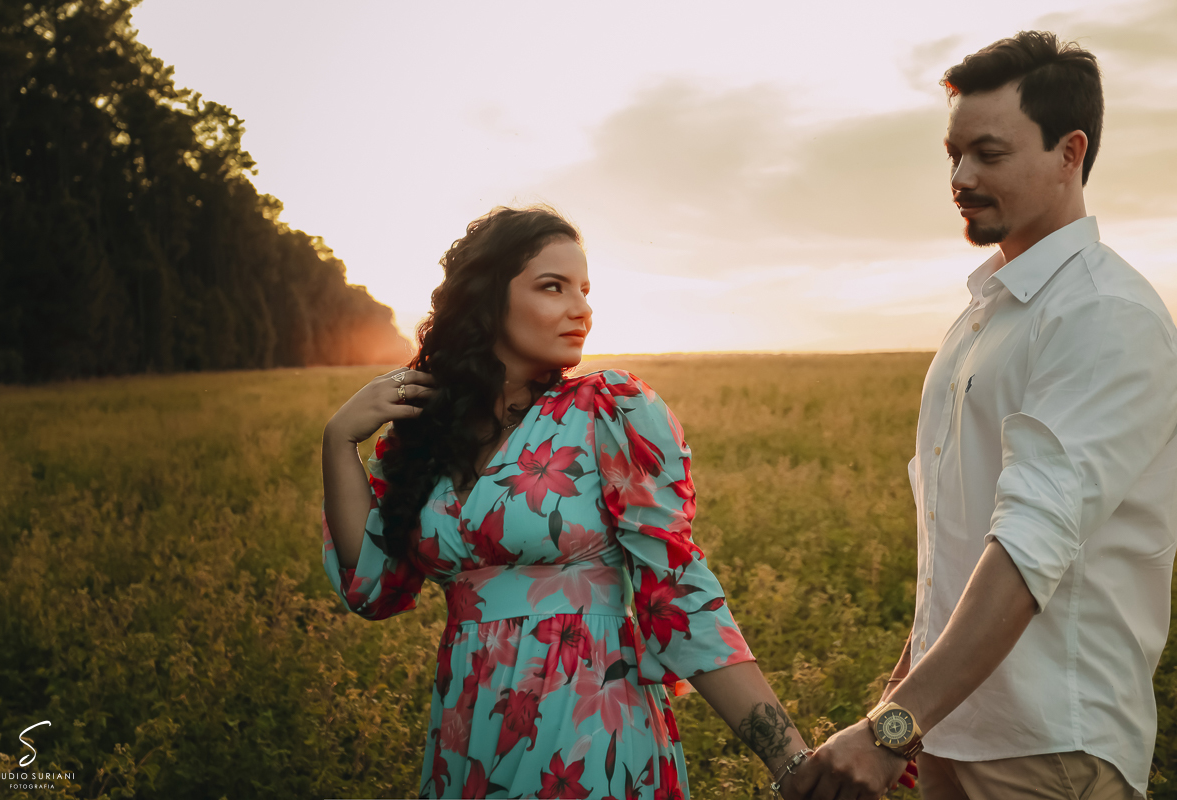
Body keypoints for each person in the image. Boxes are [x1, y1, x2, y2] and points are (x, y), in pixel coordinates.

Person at [789, 30, 1177, 800]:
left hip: (1049, 747)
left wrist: (891, 726)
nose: (961, 177)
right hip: (952, 733)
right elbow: (956, 546)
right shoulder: (984, 317)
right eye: (953, 154)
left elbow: (1028, 547)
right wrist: (900, 711)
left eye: (989, 154)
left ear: (1071, 152)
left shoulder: (1103, 314)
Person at [320, 206, 817, 799]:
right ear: (485, 298)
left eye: (583, 289)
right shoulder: (427, 438)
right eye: (552, 287)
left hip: (588, 726)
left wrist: (792, 761)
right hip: (467, 737)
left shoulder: (608, 412)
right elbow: (370, 583)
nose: (580, 308)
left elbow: (679, 594)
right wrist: (338, 439)